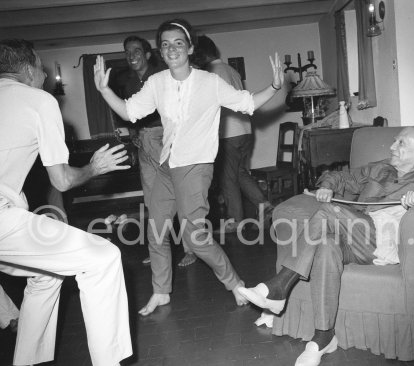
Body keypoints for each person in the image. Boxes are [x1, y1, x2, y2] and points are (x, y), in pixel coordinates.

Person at [239, 127, 414, 366]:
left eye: (401, 143)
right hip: (356, 236)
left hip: (382, 241)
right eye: (394, 141)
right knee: (326, 245)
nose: (392, 146)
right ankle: (324, 337)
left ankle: (279, 287)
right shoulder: (381, 168)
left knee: (328, 213)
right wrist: (327, 187)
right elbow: (339, 177)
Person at [93, 18, 285, 316]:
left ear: (190, 47)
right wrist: (105, 92)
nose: (172, 49)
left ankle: (235, 283)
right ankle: (161, 291)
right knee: (156, 230)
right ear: (160, 51)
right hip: (167, 163)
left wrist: (274, 86)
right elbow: (130, 112)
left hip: (196, 166)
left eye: (178, 42)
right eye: (166, 44)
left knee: (195, 237)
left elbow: (247, 102)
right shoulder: (157, 83)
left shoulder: (209, 82)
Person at [0, 39, 133, 365]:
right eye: (42, 70)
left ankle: (27, 361)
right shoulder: (37, 99)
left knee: (46, 274)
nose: (45, 77)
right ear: (29, 69)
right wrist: (94, 167)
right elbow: (61, 180)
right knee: (103, 258)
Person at [111, 35, 196, 267]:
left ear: (147, 54)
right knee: (151, 199)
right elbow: (128, 111)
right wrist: (133, 132)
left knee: (179, 193)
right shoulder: (126, 81)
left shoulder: (162, 77)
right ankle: (159, 251)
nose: (132, 56)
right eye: (127, 52)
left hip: (165, 139)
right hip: (142, 143)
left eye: (136, 51)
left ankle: (191, 248)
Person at [194, 35, 273, 235]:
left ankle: (236, 220)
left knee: (227, 178)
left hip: (228, 132)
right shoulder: (231, 70)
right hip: (245, 130)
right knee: (239, 173)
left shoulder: (211, 74)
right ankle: (264, 205)